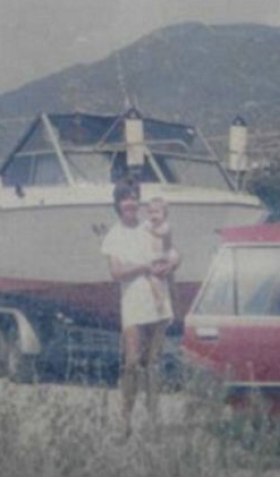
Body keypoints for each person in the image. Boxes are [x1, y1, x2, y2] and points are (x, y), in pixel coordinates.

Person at [101, 178, 180, 439]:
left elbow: (171, 249)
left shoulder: (150, 226)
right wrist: (143, 267)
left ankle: (153, 423)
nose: (131, 203)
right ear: (118, 204)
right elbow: (115, 272)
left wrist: (174, 262)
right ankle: (125, 422)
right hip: (134, 305)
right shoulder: (114, 234)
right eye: (125, 198)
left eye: (134, 197)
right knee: (132, 363)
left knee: (153, 364)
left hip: (158, 303)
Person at [144, 197, 180, 319]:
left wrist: (150, 230)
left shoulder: (165, 226)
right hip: (154, 257)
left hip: (164, 256)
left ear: (164, 214)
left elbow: (162, 233)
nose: (153, 216)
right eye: (150, 212)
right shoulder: (147, 225)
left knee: (167, 279)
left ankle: (170, 303)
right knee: (154, 280)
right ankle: (159, 299)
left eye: (157, 212)